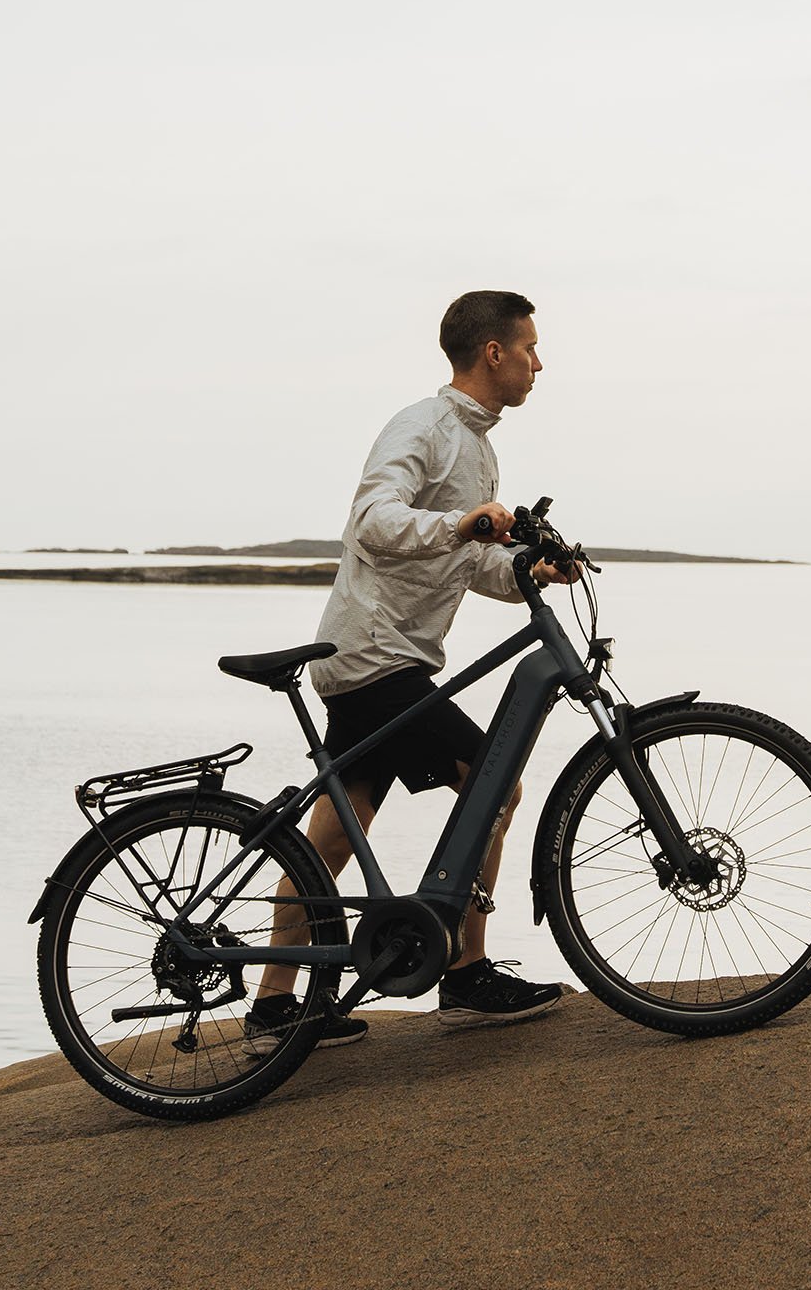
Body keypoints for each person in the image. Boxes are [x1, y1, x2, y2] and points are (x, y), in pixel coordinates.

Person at [244, 290, 576, 1053]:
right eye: (529, 348)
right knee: (496, 785)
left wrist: (529, 565)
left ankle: (274, 1006)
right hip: (374, 658)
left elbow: (465, 562)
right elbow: (374, 521)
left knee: (330, 839)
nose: (538, 363)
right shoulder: (421, 426)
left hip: (375, 657)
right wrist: (463, 521)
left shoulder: (480, 445)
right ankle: (466, 973)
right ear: (494, 353)